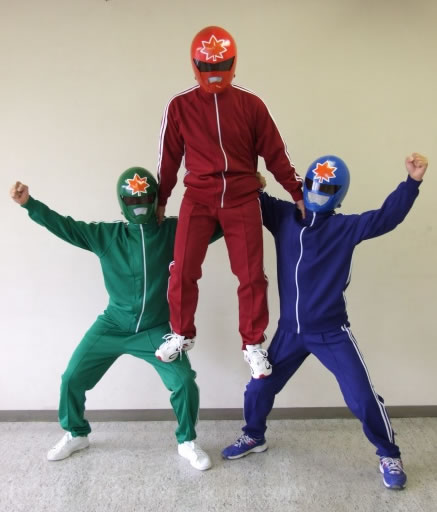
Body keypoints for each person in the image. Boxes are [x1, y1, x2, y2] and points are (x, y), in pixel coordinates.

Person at [221, 152, 428, 490]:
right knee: (259, 387)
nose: (317, 192)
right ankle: (254, 435)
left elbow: (386, 217)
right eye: (312, 185)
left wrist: (412, 182)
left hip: (331, 333)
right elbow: (253, 199)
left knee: (362, 398)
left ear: (338, 194)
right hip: (290, 332)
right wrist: (252, 182)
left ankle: (389, 453)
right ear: (303, 185)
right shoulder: (284, 216)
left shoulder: (345, 228)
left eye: (327, 188)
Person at [10, 167, 219, 470]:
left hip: (157, 328)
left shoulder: (176, 230)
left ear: (156, 199)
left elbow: (218, 225)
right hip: (114, 325)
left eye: (145, 199)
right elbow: (65, 226)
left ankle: (187, 441)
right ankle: (76, 433)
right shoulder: (106, 234)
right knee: (72, 377)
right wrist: (30, 204)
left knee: (184, 381)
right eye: (132, 200)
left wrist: (250, 195)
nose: (140, 206)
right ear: (122, 202)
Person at [155, 25, 304, 379]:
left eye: (221, 66)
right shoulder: (180, 106)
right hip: (198, 198)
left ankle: (253, 343)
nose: (213, 74)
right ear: (194, 66)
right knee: (182, 269)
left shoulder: (251, 105)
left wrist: (297, 192)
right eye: (207, 67)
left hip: (241, 198)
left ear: (234, 64)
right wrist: (161, 200)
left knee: (251, 275)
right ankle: (181, 333)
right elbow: (168, 158)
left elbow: (276, 153)